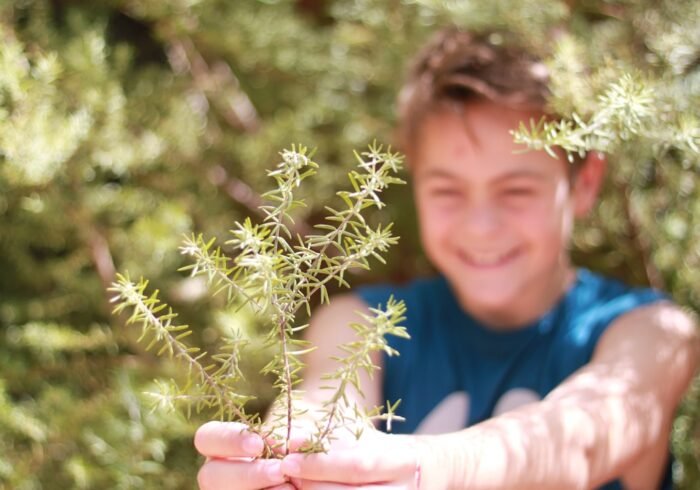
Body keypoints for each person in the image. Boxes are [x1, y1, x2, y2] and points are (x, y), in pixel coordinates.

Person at [193, 28, 699, 490]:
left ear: (584, 183)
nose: (481, 226)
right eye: (448, 190)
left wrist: (427, 469)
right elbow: (327, 402)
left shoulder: (653, 333)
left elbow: (584, 437)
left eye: (516, 190)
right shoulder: (361, 321)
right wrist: (290, 457)